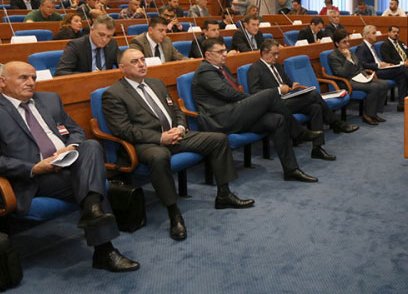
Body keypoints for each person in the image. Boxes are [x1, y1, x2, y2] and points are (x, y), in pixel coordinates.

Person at [0, 62, 139, 272]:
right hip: (34, 177)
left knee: (91, 145)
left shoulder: (49, 99)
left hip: (69, 163)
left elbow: (76, 130)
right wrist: (34, 168)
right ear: (2, 82)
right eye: (23, 78)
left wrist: (71, 147)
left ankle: (93, 210)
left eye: (33, 78)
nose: (31, 83)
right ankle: (104, 247)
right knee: (92, 184)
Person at [102, 49, 253, 241]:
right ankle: (174, 213)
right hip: (146, 143)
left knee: (218, 139)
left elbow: (177, 110)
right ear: (122, 68)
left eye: (142, 59)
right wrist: (160, 138)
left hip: (175, 134)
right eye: (134, 61)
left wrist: (180, 128)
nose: (141, 64)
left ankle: (224, 194)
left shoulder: (156, 83)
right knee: (159, 156)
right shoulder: (113, 94)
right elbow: (123, 129)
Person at [192, 38, 322, 182]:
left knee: (277, 120)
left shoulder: (222, 68)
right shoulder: (205, 72)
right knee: (270, 94)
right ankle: (298, 132)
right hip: (221, 119)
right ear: (208, 55)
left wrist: (254, 102)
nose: (225, 54)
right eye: (220, 51)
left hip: (235, 113)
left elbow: (233, 94)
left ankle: (291, 170)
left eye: (225, 50)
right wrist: (254, 101)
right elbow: (229, 94)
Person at [248, 40, 338, 160]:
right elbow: (254, 92)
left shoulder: (277, 66)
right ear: (264, 53)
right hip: (274, 105)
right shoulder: (255, 68)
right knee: (313, 95)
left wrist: (293, 85)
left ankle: (317, 148)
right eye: (274, 54)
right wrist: (278, 90)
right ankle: (334, 122)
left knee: (315, 107)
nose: (277, 57)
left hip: (288, 99)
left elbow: (287, 82)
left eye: (278, 54)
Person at [329, 29, 390, 125]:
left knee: (384, 84)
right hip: (347, 81)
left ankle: (374, 112)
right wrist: (348, 59)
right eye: (344, 42)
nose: (347, 44)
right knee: (374, 87)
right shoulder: (333, 56)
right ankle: (367, 115)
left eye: (348, 41)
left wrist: (366, 76)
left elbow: (360, 67)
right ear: (337, 43)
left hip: (360, 78)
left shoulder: (350, 51)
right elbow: (342, 73)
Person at [355, 25, 408, 112]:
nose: (376, 35)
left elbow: (377, 59)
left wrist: (386, 64)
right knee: (402, 69)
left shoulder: (372, 46)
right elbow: (362, 64)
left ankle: (402, 104)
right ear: (367, 35)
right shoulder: (362, 47)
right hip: (373, 72)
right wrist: (378, 65)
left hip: (381, 69)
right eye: (373, 33)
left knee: (401, 76)